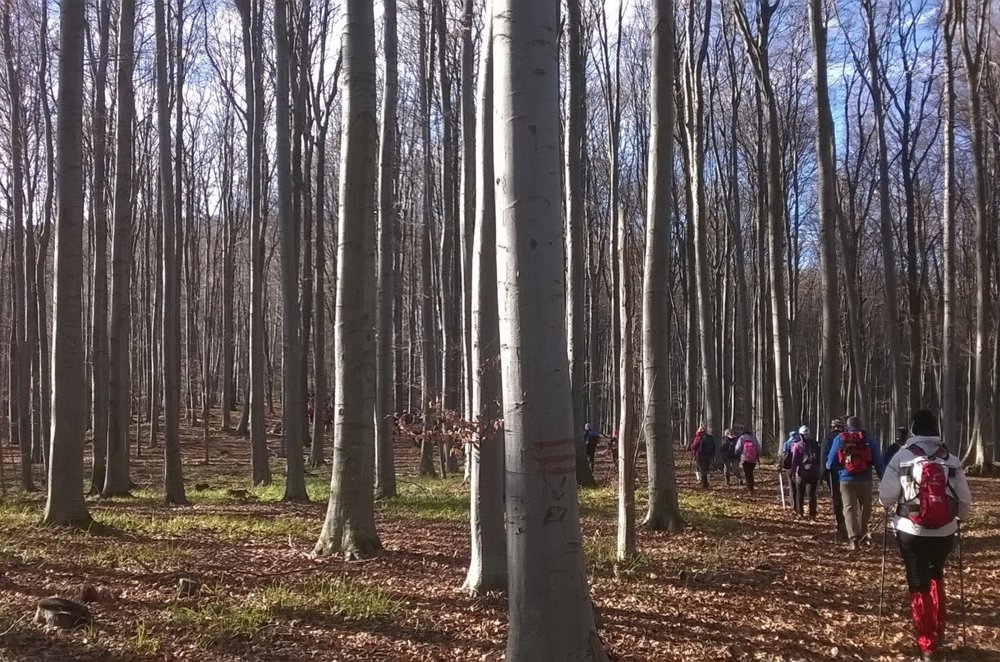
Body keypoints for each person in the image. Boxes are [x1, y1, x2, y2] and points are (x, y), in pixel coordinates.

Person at [878, 409, 972, 660]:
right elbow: (964, 500)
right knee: (936, 574)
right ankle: (938, 631)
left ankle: (927, 643)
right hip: (945, 531)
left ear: (913, 431)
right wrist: (959, 518)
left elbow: (886, 497)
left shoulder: (902, 457)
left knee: (917, 580)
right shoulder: (951, 459)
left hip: (910, 529)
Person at [826, 415, 886, 550]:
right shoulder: (868, 439)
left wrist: (835, 468)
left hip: (846, 479)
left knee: (849, 508)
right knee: (866, 506)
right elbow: (878, 461)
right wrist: (884, 478)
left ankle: (854, 538)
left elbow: (830, 463)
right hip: (865, 479)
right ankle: (864, 533)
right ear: (860, 425)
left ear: (847, 426)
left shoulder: (840, 439)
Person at [821, 418, 848, 541]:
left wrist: (822, 473)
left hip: (832, 473)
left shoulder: (828, 438)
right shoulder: (846, 437)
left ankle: (840, 522)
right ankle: (847, 523)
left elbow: (823, 456)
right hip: (847, 472)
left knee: (836, 497)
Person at [790, 425, 821, 519]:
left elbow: (795, 460)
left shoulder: (797, 446)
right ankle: (812, 515)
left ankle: (800, 513)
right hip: (813, 473)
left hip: (800, 473)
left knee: (800, 494)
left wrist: (793, 472)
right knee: (811, 495)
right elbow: (819, 459)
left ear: (800, 434)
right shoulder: (815, 444)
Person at [781, 429, 801, 511]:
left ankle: (794, 506)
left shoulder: (787, 444)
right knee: (798, 486)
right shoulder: (800, 443)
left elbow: (783, 455)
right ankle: (799, 505)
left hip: (789, 468)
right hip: (799, 467)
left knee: (792, 487)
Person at [736, 428, 760, 493]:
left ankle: (749, 488)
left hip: (745, 458)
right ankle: (751, 487)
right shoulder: (754, 438)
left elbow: (738, 448)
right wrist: (757, 456)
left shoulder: (742, 438)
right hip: (753, 459)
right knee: (751, 473)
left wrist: (737, 454)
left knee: (747, 473)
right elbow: (758, 448)